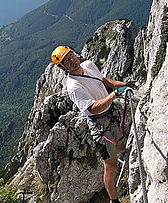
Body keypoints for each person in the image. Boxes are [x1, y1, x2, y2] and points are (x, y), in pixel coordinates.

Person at [51, 46, 135, 203]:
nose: (71, 60)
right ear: (62, 68)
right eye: (66, 61)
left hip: (112, 115)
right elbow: (92, 108)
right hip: (100, 125)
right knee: (110, 166)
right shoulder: (74, 86)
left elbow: (103, 81)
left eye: (71, 56)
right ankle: (114, 199)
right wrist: (114, 95)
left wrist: (124, 84)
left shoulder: (89, 65)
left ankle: (126, 169)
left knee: (121, 147)